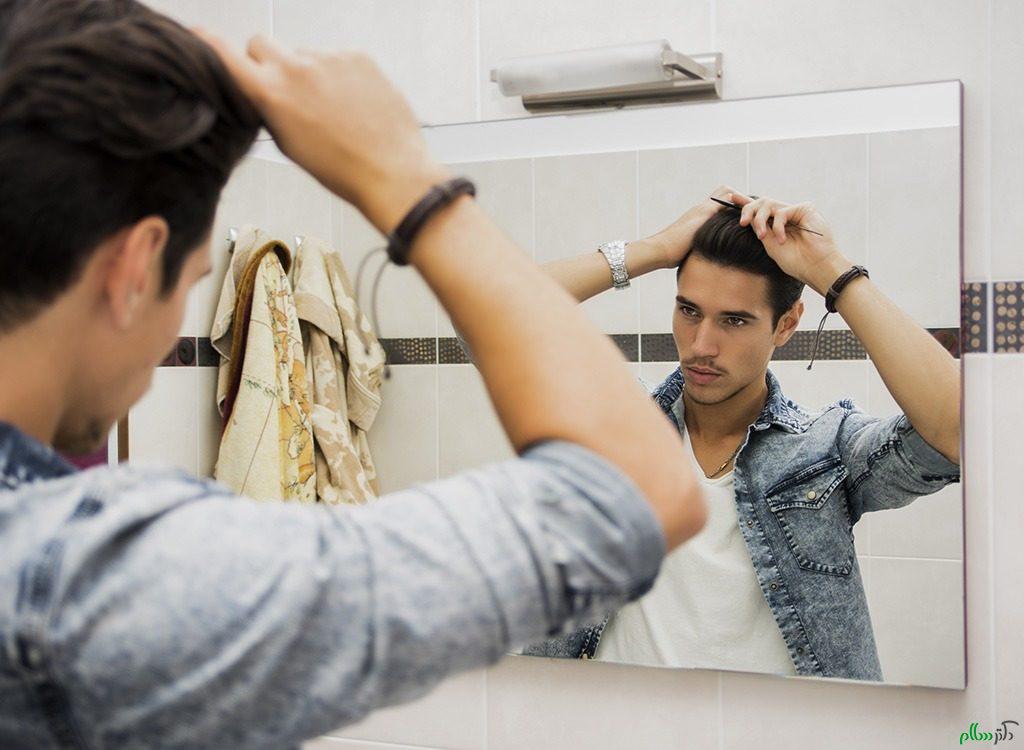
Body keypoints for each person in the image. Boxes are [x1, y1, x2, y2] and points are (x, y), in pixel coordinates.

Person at [0, 1, 708, 747]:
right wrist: (402, 178)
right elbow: (640, 494)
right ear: (136, 268)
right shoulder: (92, 583)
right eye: (192, 282)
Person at [521, 188, 962, 681]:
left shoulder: (824, 450)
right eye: (689, 311)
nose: (701, 345)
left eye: (734, 320)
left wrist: (831, 271)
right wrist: (656, 249)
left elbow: (957, 434)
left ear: (786, 325)